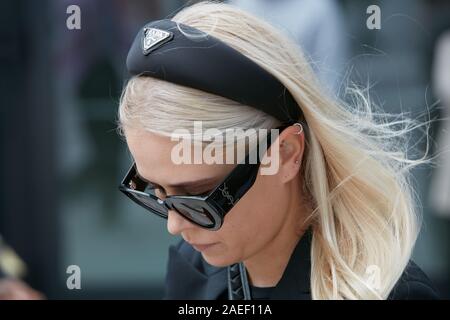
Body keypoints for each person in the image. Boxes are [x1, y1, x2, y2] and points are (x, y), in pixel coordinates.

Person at [117, 2, 438, 299]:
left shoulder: (384, 291)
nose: (174, 225)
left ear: (286, 153)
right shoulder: (192, 272)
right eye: (156, 193)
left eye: (199, 194)